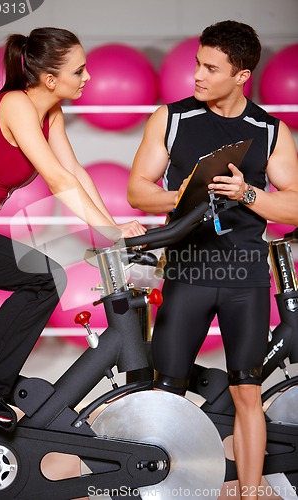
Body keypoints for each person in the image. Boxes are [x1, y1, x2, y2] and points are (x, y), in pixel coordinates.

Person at [127, 20, 298, 499]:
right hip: (189, 271)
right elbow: (138, 190)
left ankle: (249, 491)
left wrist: (247, 193)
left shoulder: (269, 131)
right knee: (168, 393)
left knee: (248, 391)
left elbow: (296, 203)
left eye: (210, 68)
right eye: (196, 64)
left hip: (244, 274)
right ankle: (158, 489)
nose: (197, 76)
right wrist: (182, 194)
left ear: (241, 76)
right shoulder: (172, 117)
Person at [0, 27, 146, 430]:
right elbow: (57, 180)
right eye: (79, 71)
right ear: (50, 79)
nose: (88, 78)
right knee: (44, 278)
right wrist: (111, 232)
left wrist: (111, 227)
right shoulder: (16, 105)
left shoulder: (50, 114)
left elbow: (74, 172)